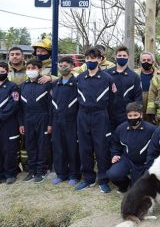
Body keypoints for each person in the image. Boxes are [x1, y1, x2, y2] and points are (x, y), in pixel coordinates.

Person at [75, 47, 115, 193]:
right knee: (84, 148)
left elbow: (113, 101)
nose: (90, 61)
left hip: (100, 116)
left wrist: (107, 118)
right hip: (83, 115)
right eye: (88, 59)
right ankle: (88, 179)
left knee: (101, 148)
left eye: (93, 59)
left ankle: (103, 179)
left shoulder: (107, 78)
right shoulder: (79, 78)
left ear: (99, 59)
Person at [107, 102, 156, 193]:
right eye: (130, 116)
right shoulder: (121, 128)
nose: (133, 118)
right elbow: (115, 143)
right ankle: (124, 184)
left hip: (144, 163)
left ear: (141, 115)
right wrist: (115, 154)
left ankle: (136, 182)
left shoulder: (152, 129)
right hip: (127, 160)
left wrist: (150, 163)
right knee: (113, 174)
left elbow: (156, 148)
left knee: (138, 190)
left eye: (135, 115)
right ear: (127, 116)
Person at [19, 59, 52, 183]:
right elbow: (20, 108)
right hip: (28, 119)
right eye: (28, 68)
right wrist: (21, 123)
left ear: (39, 69)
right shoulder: (23, 86)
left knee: (42, 145)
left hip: (42, 118)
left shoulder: (46, 84)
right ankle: (31, 171)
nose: (30, 70)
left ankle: (41, 171)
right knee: (30, 145)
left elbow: (51, 106)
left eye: (33, 68)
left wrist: (50, 123)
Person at [50, 56, 81, 185]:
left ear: (72, 67)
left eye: (66, 65)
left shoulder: (77, 83)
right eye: (61, 65)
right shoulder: (54, 84)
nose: (63, 67)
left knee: (72, 148)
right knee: (58, 148)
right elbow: (50, 105)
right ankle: (61, 174)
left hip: (72, 121)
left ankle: (74, 174)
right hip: (57, 121)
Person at [106, 46, 143, 130]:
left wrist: (136, 115)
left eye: (124, 56)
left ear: (128, 57)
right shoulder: (107, 74)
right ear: (115, 57)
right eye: (119, 56)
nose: (121, 57)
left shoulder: (134, 77)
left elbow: (138, 98)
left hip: (127, 116)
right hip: (109, 116)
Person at [8, 46, 28, 172]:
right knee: (11, 140)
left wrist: (50, 78)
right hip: (9, 111)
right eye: (12, 54)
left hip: (26, 109)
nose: (15, 56)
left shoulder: (30, 69)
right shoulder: (4, 70)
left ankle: (27, 166)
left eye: (17, 54)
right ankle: (13, 167)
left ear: (23, 56)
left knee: (26, 140)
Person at [0, 62, 20, 184]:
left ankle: (10, 173)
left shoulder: (13, 87)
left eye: (2, 72)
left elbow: (14, 104)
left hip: (8, 123)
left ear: (7, 72)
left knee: (9, 149)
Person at [137, 51, 156, 118]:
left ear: (153, 62)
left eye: (148, 60)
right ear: (140, 62)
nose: (146, 62)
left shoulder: (159, 74)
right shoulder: (135, 74)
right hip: (139, 106)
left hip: (154, 106)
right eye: (144, 60)